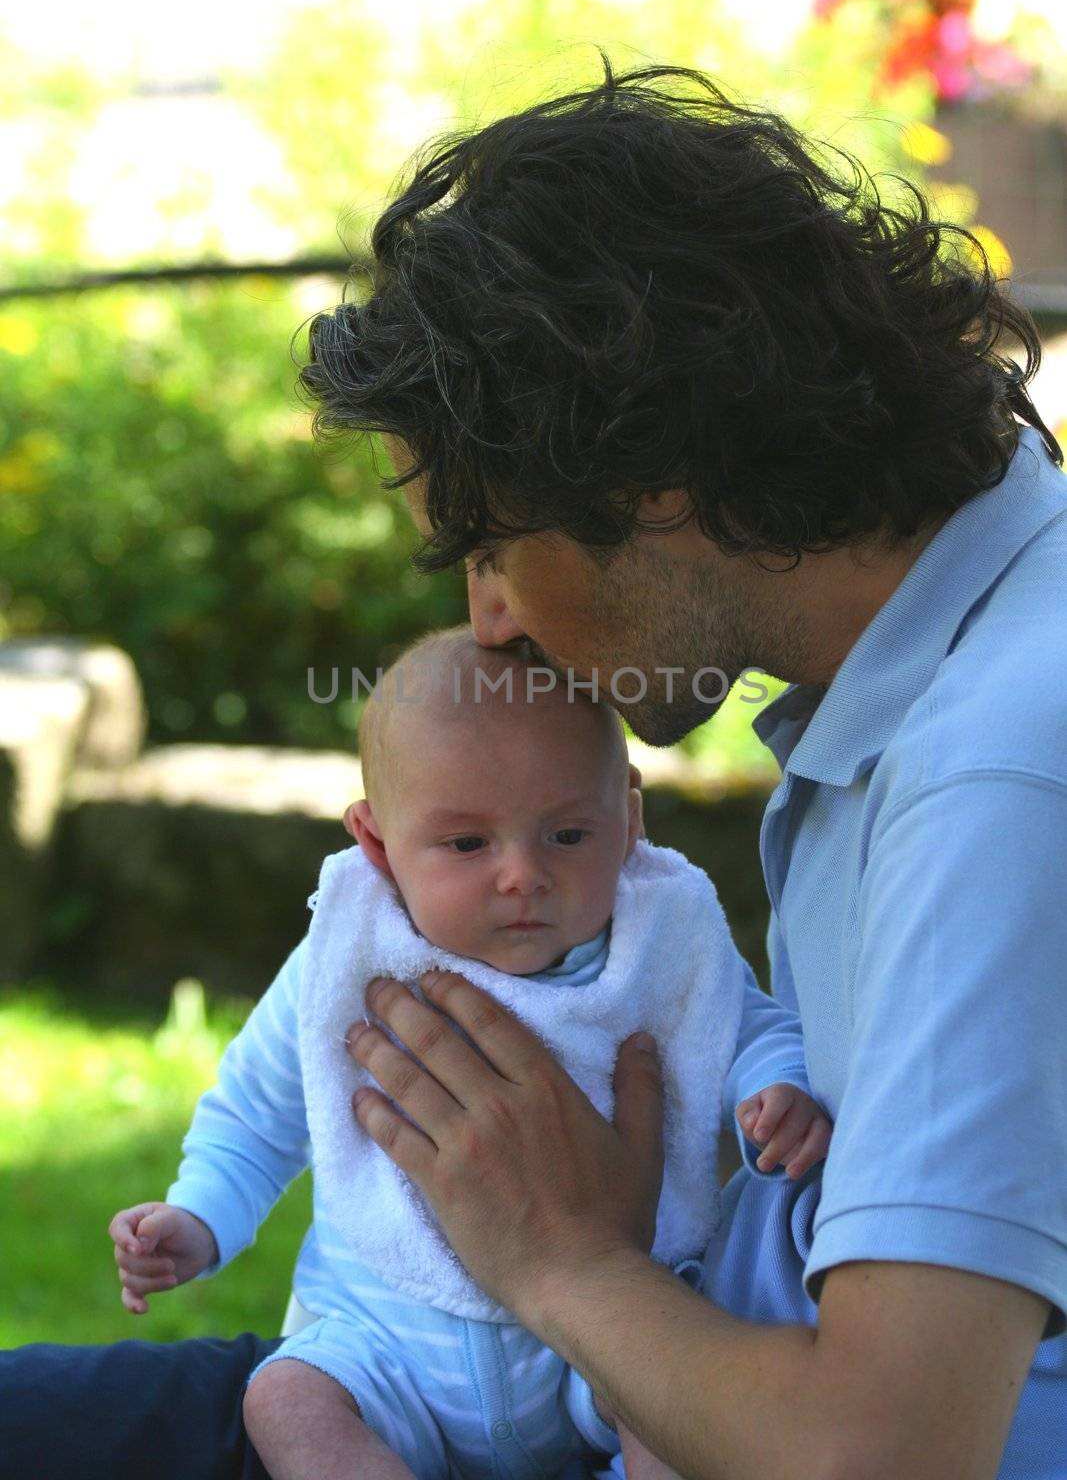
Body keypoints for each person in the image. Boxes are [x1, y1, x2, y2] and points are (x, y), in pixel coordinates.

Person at [2, 54, 1064, 1480]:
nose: (487, 621)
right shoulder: (945, 658)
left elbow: (872, 1456)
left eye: (491, 550)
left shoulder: (995, 772)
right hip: (583, 1368)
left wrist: (553, 1258)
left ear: (654, 478)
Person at [106, 625, 832, 1480]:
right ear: (376, 844)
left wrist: (774, 1090)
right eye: (466, 844)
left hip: (600, 1339)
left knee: (679, 1409)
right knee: (285, 1400)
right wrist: (199, 1215)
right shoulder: (348, 959)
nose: (521, 875)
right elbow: (258, 1110)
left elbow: (746, 1028)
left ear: (628, 817)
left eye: (566, 835)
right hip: (385, 1347)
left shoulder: (662, 944)